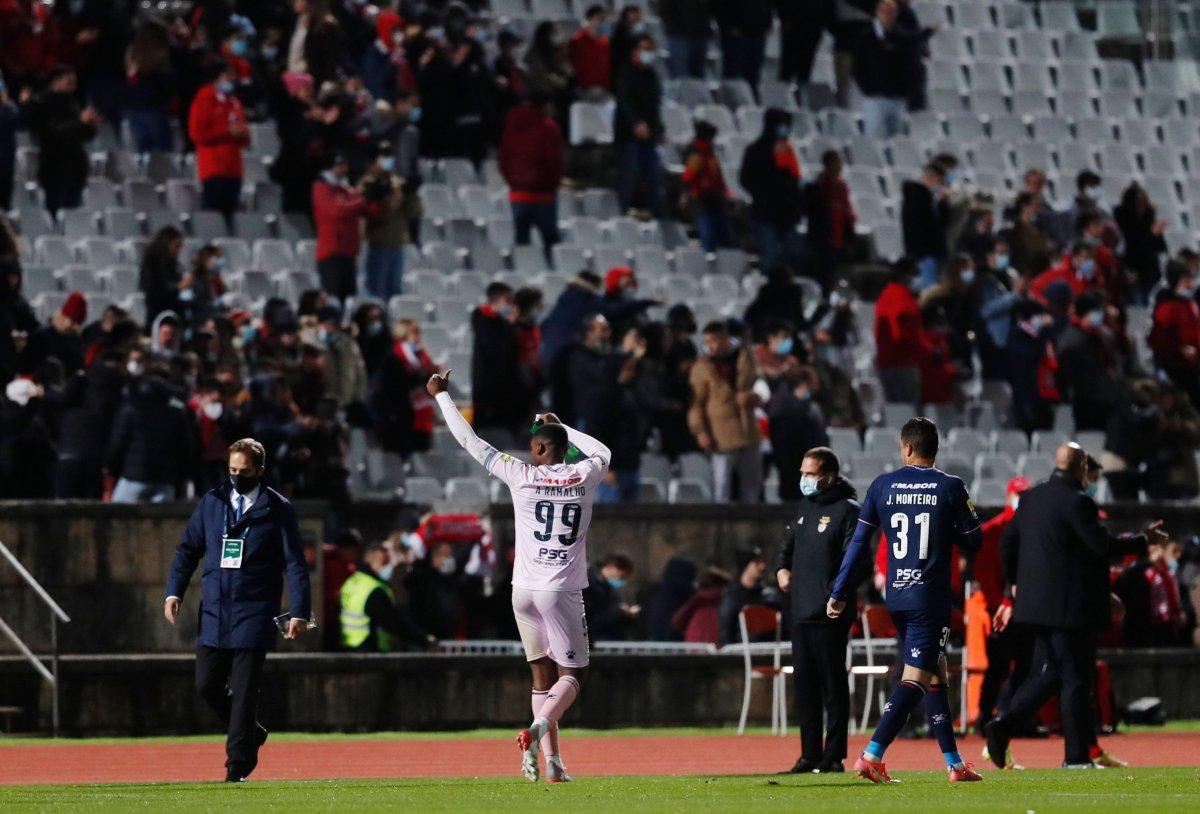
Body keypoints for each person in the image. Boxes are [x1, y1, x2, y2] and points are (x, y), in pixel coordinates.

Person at [429, 371, 611, 784]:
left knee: (541, 675)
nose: (530, 451)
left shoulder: (521, 475)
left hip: (522, 590)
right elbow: (602, 451)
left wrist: (442, 397)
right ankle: (539, 727)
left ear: (540, 448)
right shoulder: (585, 475)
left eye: (534, 445)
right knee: (574, 675)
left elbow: (470, 442)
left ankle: (553, 764)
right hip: (561, 590)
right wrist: (561, 425)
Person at [986, 443, 1163, 770]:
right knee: (1076, 678)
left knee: (1053, 673)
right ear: (1081, 467)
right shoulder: (1078, 502)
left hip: (1035, 606)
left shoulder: (1031, 499)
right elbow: (1101, 546)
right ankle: (1075, 756)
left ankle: (1004, 724)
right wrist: (1143, 540)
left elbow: (1008, 544)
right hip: (1069, 607)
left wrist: (1014, 588)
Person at [828, 417, 984, 784]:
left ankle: (955, 764)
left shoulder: (882, 485)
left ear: (907, 448)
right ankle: (872, 755)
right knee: (916, 676)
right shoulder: (950, 486)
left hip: (896, 595)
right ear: (935, 449)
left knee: (934, 673)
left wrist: (839, 590)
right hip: (929, 598)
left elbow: (858, 545)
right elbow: (974, 540)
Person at [164, 438, 312, 782]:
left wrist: (299, 611)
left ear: (260, 471)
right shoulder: (212, 502)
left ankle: (237, 765)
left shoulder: (277, 509)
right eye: (232, 471)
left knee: (245, 691)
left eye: (244, 472)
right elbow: (188, 549)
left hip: (256, 609)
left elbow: (295, 564)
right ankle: (250, 731)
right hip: (215, 608)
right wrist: (174, 591)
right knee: (207, 684)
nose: (236, 477)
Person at [775, 447, 860, 774]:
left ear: (829, 475)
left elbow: (856, 561)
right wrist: (781, 569)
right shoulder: (805, 508)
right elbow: (786, 547)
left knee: (832, 684)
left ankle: (833, 755)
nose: (804, 480)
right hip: (800, 609)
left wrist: (837, 594)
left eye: (810, 473)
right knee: (805, 686)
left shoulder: (848, 511)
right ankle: (809, 754)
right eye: (803, 473)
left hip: (830, 612)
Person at [971, 476, 1034, 764]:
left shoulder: (1019, 529)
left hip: (1025, 610)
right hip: (1002, 610)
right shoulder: (994, 531)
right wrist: (1002, 605)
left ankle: (1010, 716)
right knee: (998, 668)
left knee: (1023, 667)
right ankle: (986, 715)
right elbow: (986, 576)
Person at [687, 320, 762, 503]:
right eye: (707, 342)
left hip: (748, 431)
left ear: (724, 338)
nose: (709, 346)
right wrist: (701, 432)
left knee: (752, 487)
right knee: (721, 488)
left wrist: (753, 397)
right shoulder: (702, 367)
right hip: (721, 436)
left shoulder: (745, 358)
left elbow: (760, 386)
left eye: (713, 341)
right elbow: (696, 404)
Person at [106, 368, 195, 502]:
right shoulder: (176, 415)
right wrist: (183, 477)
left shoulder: (130, 412)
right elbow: (184, 449)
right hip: (165, 480)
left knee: (120, 516)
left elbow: (118, 443)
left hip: (133, 477)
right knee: (162, 521)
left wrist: (110, 467)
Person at [499, 91, 564, 265]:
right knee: (550, 240)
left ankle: (520, 270)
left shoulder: (512, 125)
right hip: (543, 194)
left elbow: (504, 157)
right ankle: (551, 272)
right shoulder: (548, 127)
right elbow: (554, 161)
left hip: (518, 194)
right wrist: (553, 183)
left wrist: (512, 180)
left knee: (521, 239)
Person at [27, 65, 101, 215]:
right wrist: (81, 123)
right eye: (69, 83)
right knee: (57, 214)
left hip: (75, 171)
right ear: (55, 82)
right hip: (55, 170)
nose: (73, 88)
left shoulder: (71, 103)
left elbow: (82, 134)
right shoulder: (42, 103)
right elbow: (54, 133)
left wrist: (91, 125)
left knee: (74, 216)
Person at [340, 539, 437, 652]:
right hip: (370, 651)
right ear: (376, 561)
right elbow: (395, 623)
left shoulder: (352, 581)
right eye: (386, 562)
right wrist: (424, 640)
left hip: (349, 648)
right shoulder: (374, 589)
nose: (390, 566)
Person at [739, 108, 804, 272]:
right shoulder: (756, 150)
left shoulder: (787, 151)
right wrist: (765, 192)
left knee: (791, 256)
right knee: (771, 255)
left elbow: (795, 180)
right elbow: (746, 179)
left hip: (787, 215)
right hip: (766, 214)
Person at [187, 62, 250, 224]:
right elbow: (197, 133)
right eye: (228, 74)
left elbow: (245, 137)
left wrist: (241, 134)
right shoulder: (205, 96)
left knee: (230, 220)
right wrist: (227, 131)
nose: (232, 78)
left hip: (234, 171)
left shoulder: (234, 101)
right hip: (213, 169)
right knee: (214, 220)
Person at [613, 34, 666, 218]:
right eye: (644, 49)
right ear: (634, 52)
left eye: (650, 50)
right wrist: (636, 123)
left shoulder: (652, 75)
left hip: (649, 137)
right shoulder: (626, 74)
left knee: (654, 177)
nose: (647, 54)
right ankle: (622, 214)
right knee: (628, 177)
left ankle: (659, 217)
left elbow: (655, 105)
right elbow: (626, 102)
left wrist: (659, 128)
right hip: (628, 136)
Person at [312, 153, 376, 300]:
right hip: (331, 252)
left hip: (349, 252)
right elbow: (336, 211)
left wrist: (375, 198)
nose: (343, 169)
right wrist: (362, 199)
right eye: (339, 166)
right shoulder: (321, 188)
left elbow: (368, 212)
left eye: (344, 165)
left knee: (348, 301)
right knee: (332, 299)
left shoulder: (346, 189)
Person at [359, 141, 412, 301]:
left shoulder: (398, 183)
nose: (387, 161)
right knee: (376, 291)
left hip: (397, 243)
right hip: (378, 244)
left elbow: (412, 212)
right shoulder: (367, 184)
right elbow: (373, 212)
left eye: (390, 157)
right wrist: (391, 199)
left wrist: (410, 195)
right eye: (383, 157)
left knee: (394, 290)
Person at [767, 369, 830, 501]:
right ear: (805, 383)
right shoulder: (784, 410)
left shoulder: (812, 408)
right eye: (814, 383)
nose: (816, 387)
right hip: (793, 473)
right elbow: (781, 444)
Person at [471, 282, 524, 439]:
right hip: (487, 389)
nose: (511, 305)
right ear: (496, 300)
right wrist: (509, 325)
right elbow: (497, 349)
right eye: (508, 300)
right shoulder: (483, 320)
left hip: (506, 389)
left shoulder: (505, 322)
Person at [853, 0, 914, 138]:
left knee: (897, 139)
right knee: (874, 136)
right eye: (885, 11)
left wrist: (904, 91)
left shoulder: (901, 37)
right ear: (878, 12)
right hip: (874, 98)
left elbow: (909, 67)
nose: (888, 14)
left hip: (897, 98)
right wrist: (868, 90)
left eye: (891, 11)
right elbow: (858, 67)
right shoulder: (865, 36)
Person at [1147, 260, 1200, 407]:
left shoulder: (1190, 304)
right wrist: (1180, 349)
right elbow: (1156, 339)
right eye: (1186, 281)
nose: (1190, 284)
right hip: (1177, 369)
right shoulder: (1167, 308)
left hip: (1193, 366)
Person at [804, 150, 857, 291]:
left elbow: (847, 211)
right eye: (836, 162)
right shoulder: (817, 187)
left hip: (837, 240)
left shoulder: (841, 186)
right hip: (822, 240)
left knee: (832, 279)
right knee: (822, 278)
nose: (839, 166)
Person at [874, 260, 924, 405]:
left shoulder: (886, 294)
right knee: (908, 410)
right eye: (916, 274)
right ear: (907, 275)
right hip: (903, 363)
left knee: (896, 410)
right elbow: (901, 333)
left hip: (887, 362)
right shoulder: (902, 298)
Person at [681, 120, 731, 251]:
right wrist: (686, 193)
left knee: (724, 236)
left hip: (716, 199)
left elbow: (717, 175)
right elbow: (689, 176)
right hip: (702, 199)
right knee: (708, 234)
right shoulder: (697, 152)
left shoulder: (709, 151)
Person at [902, 163, 949, 290]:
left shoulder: (915, 196)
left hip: (919, 255)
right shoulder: (921, 198)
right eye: (940, 181)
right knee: (929, 293)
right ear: (932, 176)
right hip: (927, 255)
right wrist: (943, 204)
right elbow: (937, 225)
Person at [714, 0, 772, 97]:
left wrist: (767, 25)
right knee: (732, 74)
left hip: (757, 34)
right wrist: (728, 27)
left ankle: (750, 104)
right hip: (736, 36)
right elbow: (720, 7)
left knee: (753, 76)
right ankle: (728, 102)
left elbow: (767, 6)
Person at [717, 547, 769, 646]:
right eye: (757, 563)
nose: (762, 567)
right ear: (746, 566)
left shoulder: (767, 596)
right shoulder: (732, 597)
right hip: (742, 656)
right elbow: (726, 634)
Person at [583, 552, 641, 640]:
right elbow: (594, 616)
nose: (621, 581)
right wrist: (618, 611)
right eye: (621, 576)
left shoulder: (607, 587)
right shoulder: (590, 583)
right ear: (612, 568)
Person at [671, 566, 730, 644]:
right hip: (721, 648)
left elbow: (678, 621)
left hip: (695, 647)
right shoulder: (728, 601)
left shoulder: (697, 600)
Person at [661, 0, 712, 79]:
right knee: (681, 74)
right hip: (679, 37)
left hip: (701, 35)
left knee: (699, 75)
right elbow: (665, 11)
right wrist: (676, 29)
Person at [568, 6, 612, 94]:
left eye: (604, 20)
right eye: (600, 19)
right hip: (584, 90)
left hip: (605, 89)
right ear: (589, 20)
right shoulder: (577, 41)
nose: (602, 23)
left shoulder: (605, 42)